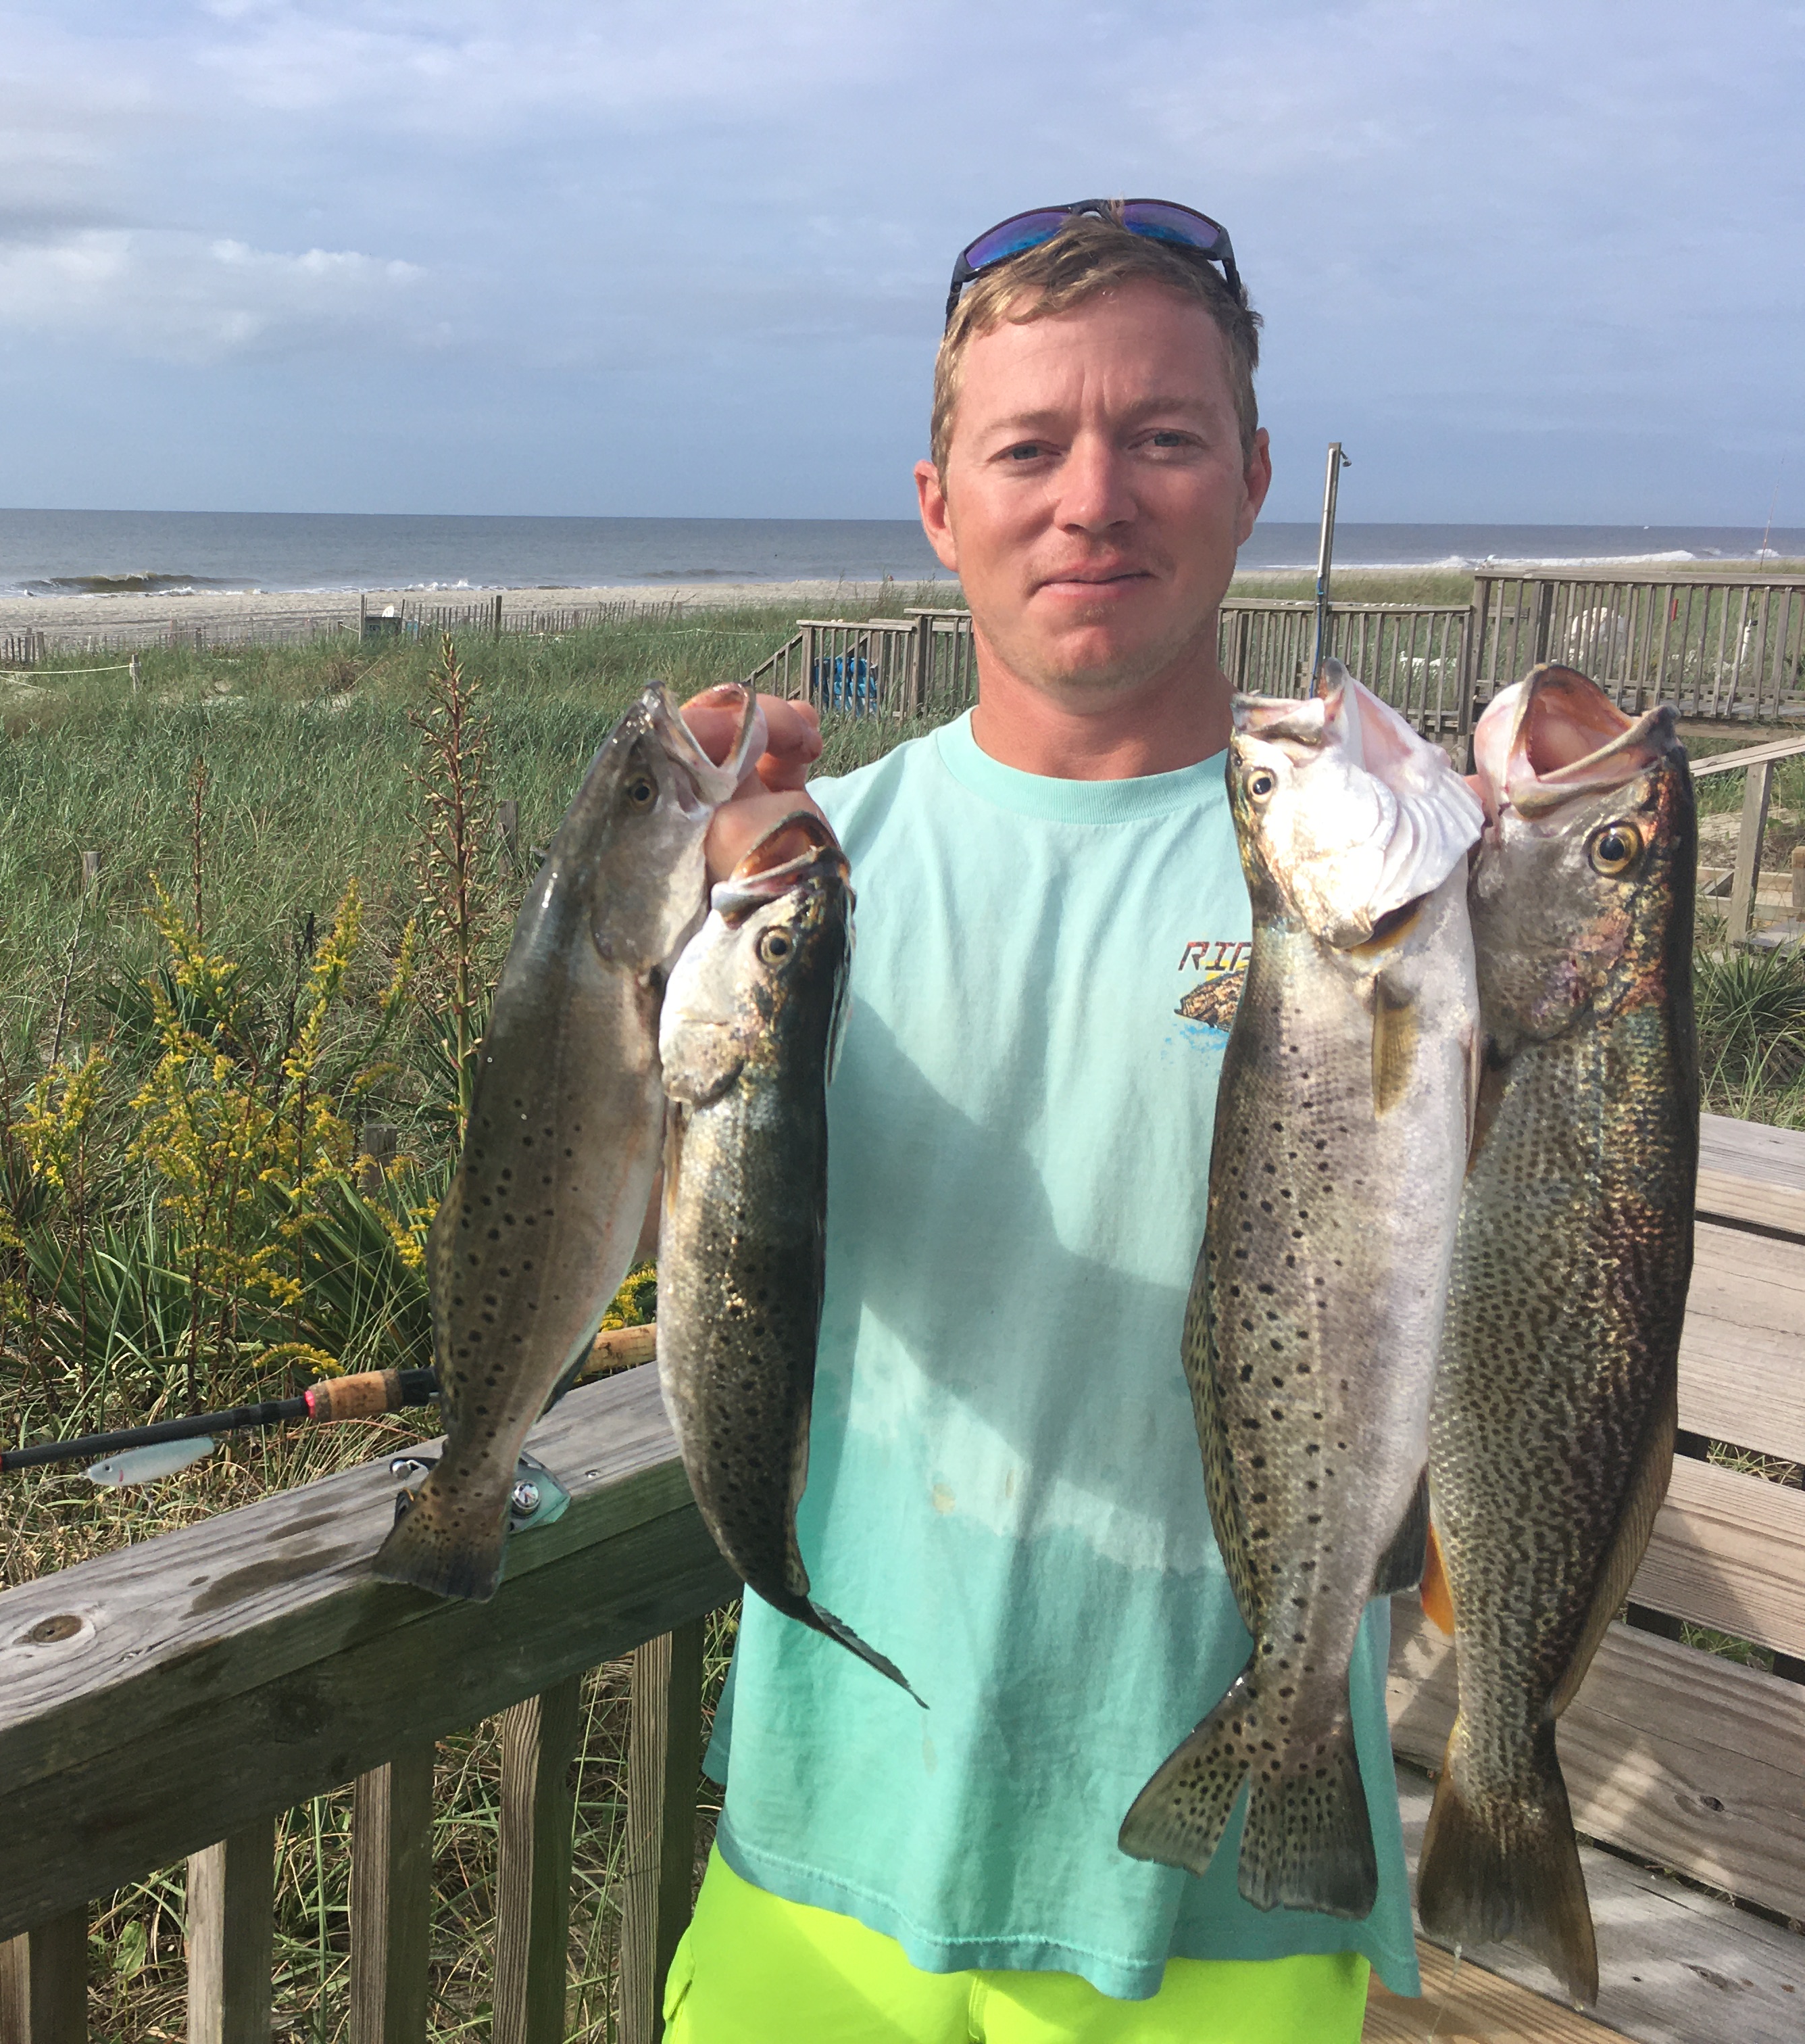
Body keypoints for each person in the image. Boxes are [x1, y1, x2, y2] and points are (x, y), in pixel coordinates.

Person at [661, 202, 1421, 2043]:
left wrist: (1529, 886)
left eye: (1161, 438)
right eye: (1030, 446)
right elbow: (647, 1252)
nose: (1095, 498)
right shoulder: (803, 874)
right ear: (940, 504)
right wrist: (627, 926)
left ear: (1248, 481)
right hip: (823, 1844)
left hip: (1217, 1902)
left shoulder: (1379, 875)